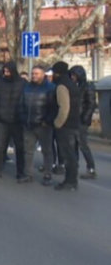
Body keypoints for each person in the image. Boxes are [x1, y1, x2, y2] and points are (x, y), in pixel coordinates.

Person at [19, 65, 56, 185]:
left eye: (36, 74)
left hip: (43, 125)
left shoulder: (50, 87)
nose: (34, 76)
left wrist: (47, 121)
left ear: (43, 74)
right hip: (28, 124)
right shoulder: (27, 87)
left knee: (47, 151)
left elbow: (53, 107)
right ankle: (28, 175)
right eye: (33, 73)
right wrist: (23, 118)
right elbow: (21, 104)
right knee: (28, 151)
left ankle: (47, 175)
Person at [0, 62, 26, 180]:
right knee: (0, 146)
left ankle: (21, 172)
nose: (6, 73)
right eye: (4, 71)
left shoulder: (23, 83)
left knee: (20, 147)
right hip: (1, 120)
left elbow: (27, 99)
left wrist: (23, 113)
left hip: (18, 120)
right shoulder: (0, 82)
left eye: (8, 71)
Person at [51, 61, 81, 191]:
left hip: (65, 125)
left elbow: (64, 108)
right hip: (74, 123)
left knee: (67, 154)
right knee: (71, 153)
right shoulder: (72, 84)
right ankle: (71, 180)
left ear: (57, 73)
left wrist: (57, 123)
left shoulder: (62, 86)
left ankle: (70, 181)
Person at [69, 66, 97, 179]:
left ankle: (91, 168)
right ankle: (74, 166)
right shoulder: (76, 86)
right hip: (74, 119)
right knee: (73, 143)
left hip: (82, 120)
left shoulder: (87, 87)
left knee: (82, 144)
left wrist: (85, 118)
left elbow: (91, 104)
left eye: (74, 75)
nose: (72, 77)